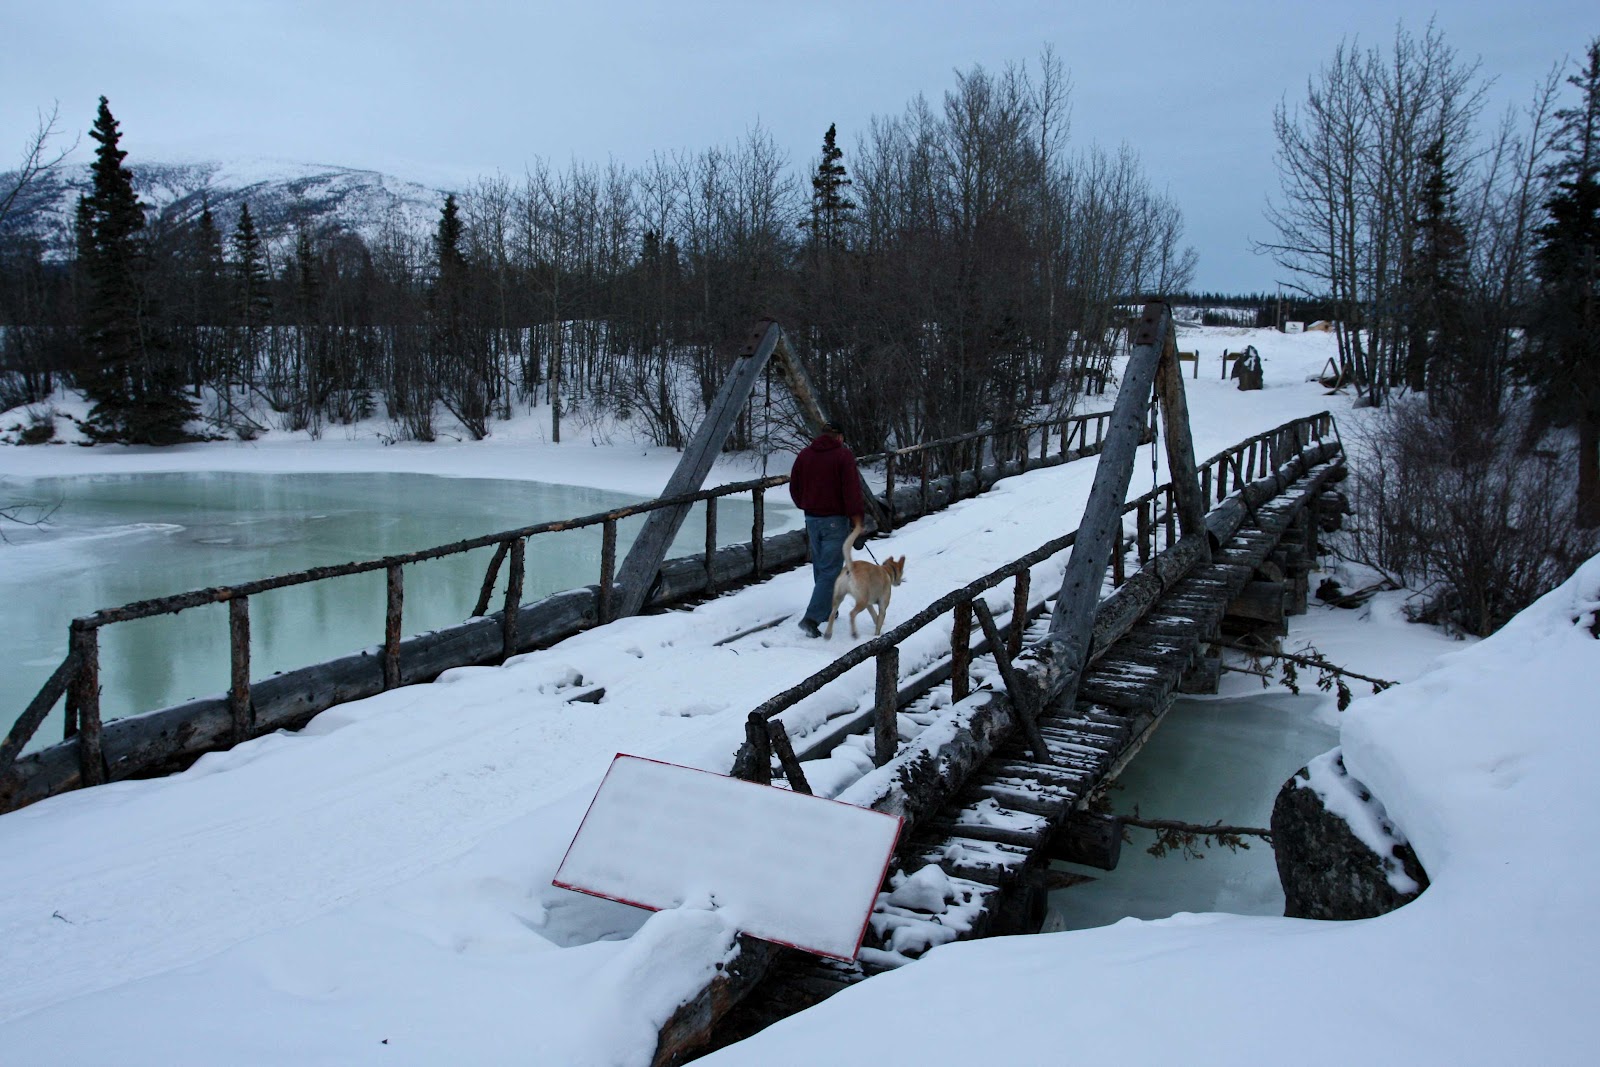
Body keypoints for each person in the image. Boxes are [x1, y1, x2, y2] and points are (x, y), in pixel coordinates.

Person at [788, 421, 865, 638]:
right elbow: (852, 492)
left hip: (812, 518)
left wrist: (805, 505)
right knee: (830, 570)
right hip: (834, 520)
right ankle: (811, 618)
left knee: (821, 566)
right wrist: (857, 521)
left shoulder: (805, 455)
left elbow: (795, 486)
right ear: (839, 436)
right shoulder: (843, 456)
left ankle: (829, 607)